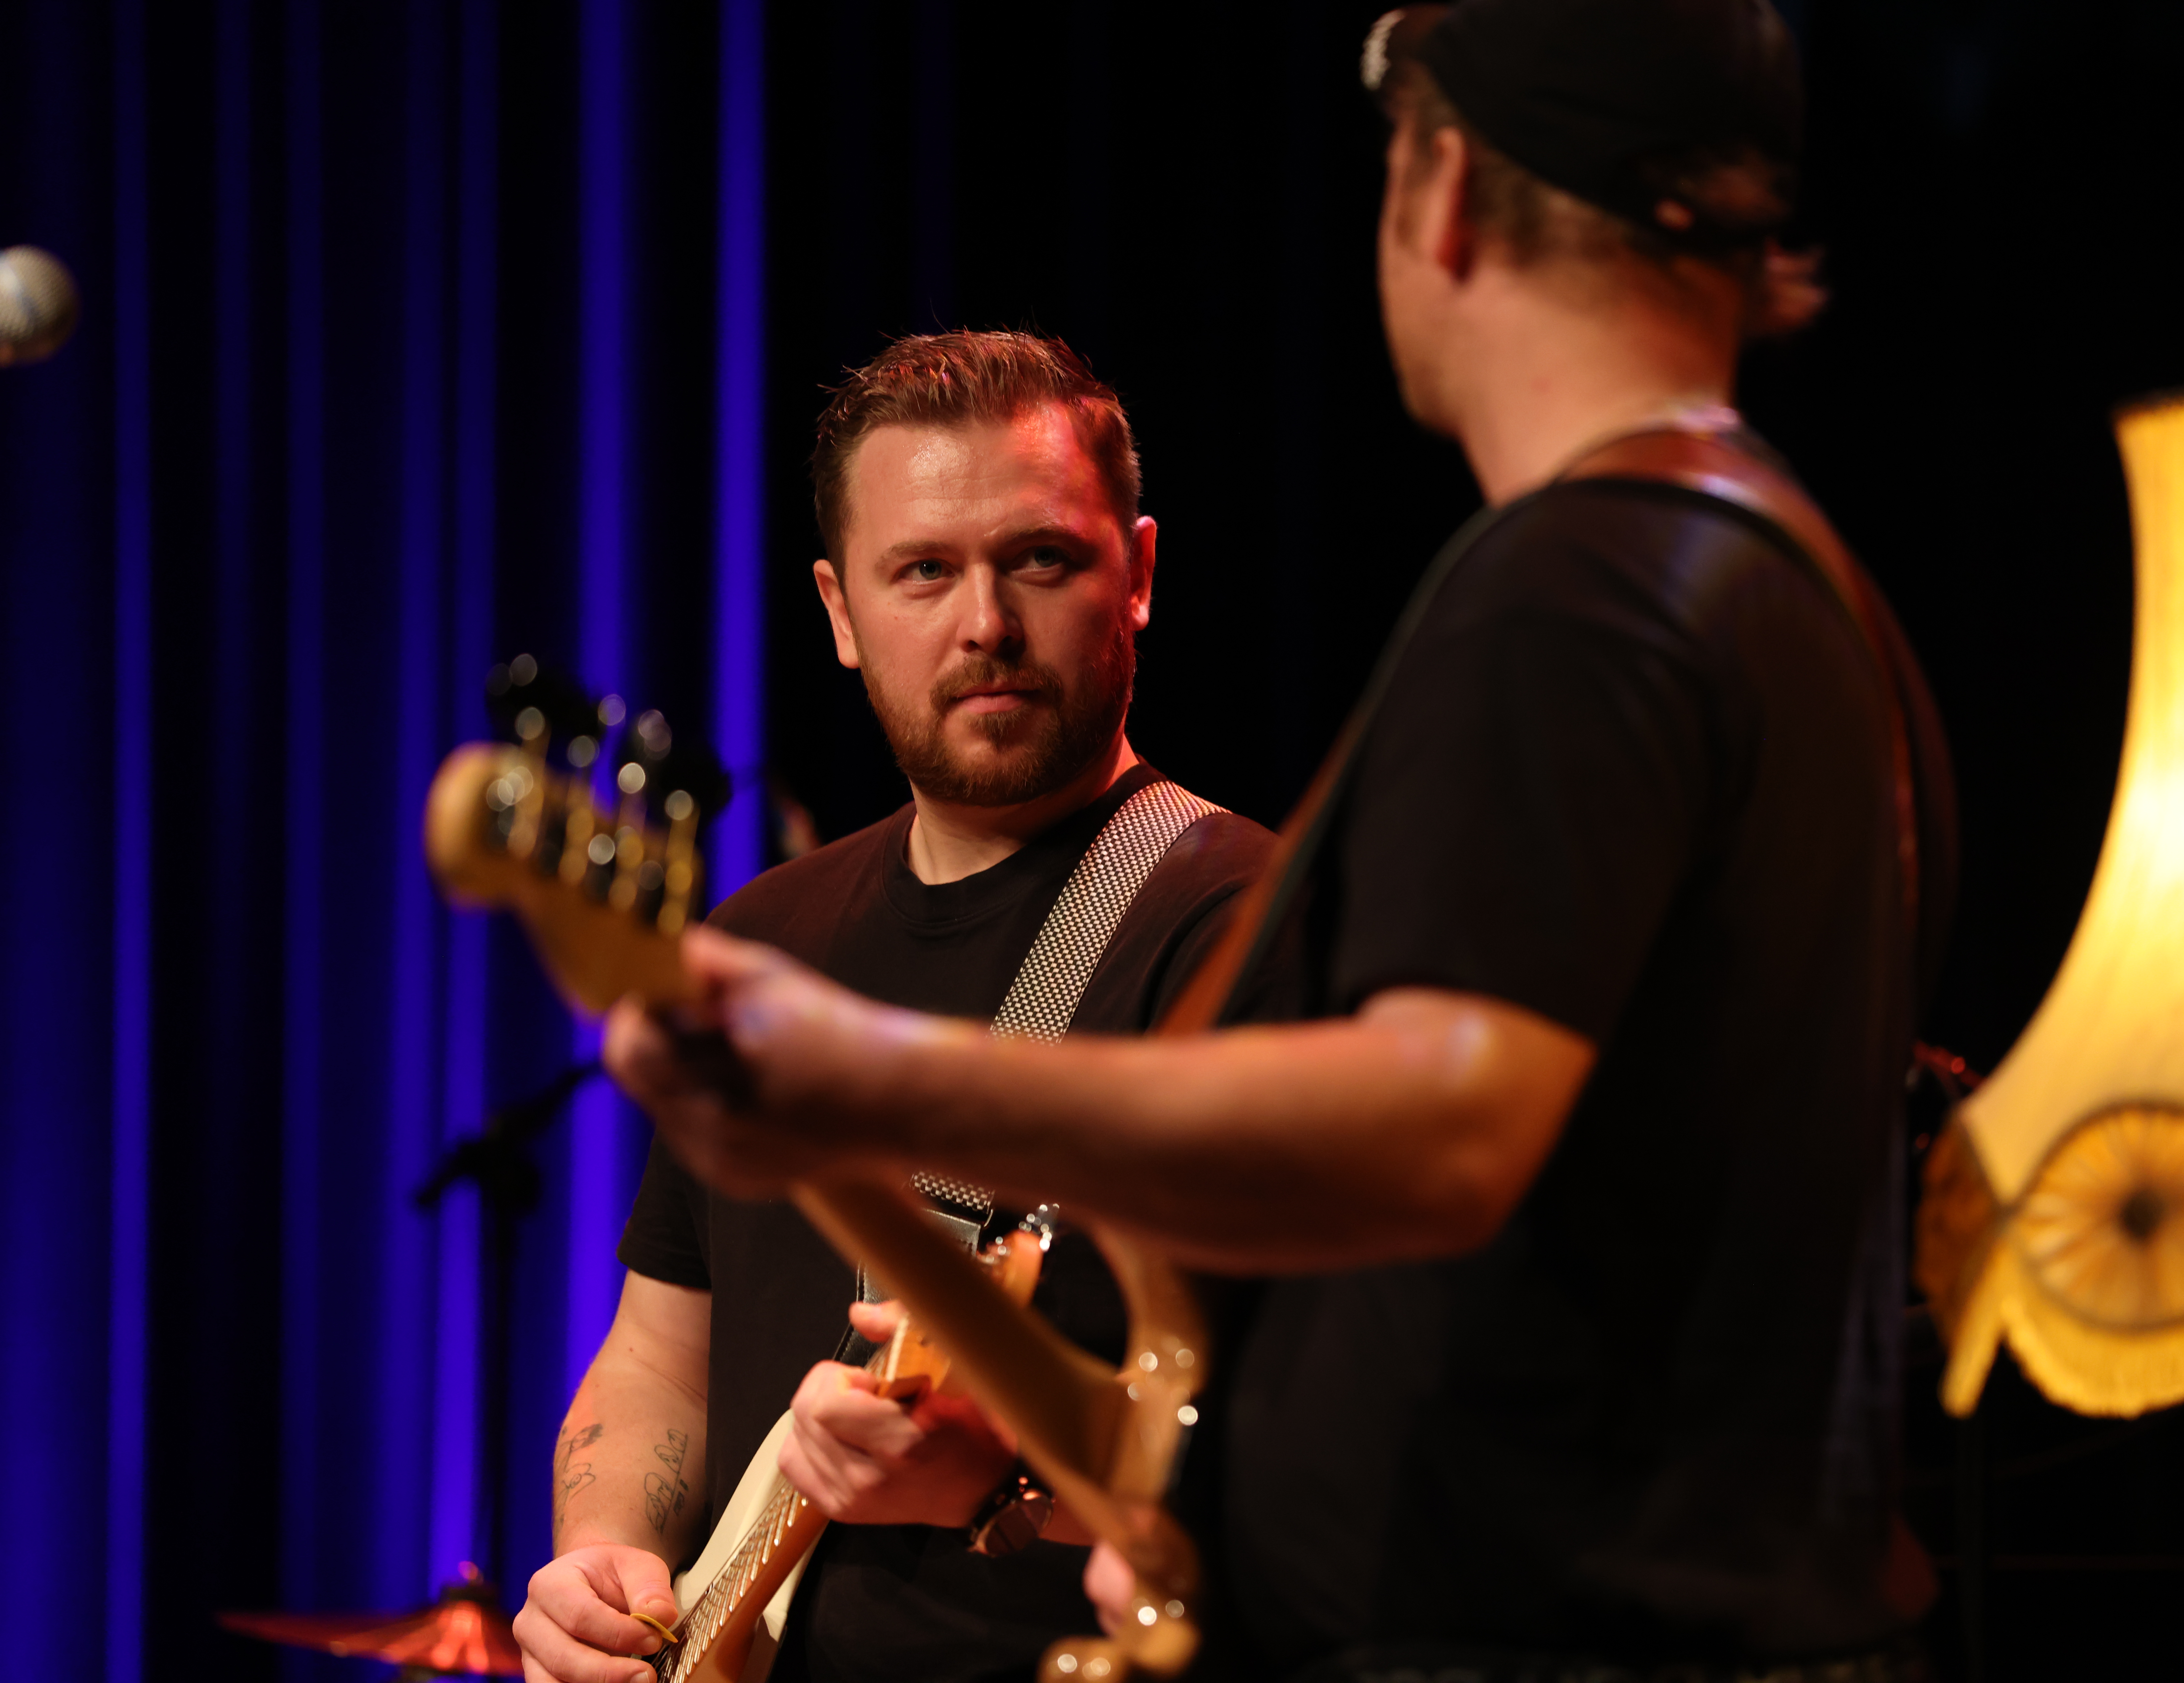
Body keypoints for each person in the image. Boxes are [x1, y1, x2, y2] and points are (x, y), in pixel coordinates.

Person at [607, 2, 1959, 1677]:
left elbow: (1441, 1119)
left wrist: (872, 1077)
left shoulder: (1581, 594)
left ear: (1443, 186)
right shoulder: (1779, 575)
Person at [513, 331, 1279, 1683]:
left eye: (1039, 559)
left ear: (1139, 574)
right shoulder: (757, 947)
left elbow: (1324, 1443)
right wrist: (600, 1554)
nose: (983, 622)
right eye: (923, 571)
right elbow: (654, 1359)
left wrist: (999, 1490)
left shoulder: (1243, 933)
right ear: (840, 610)